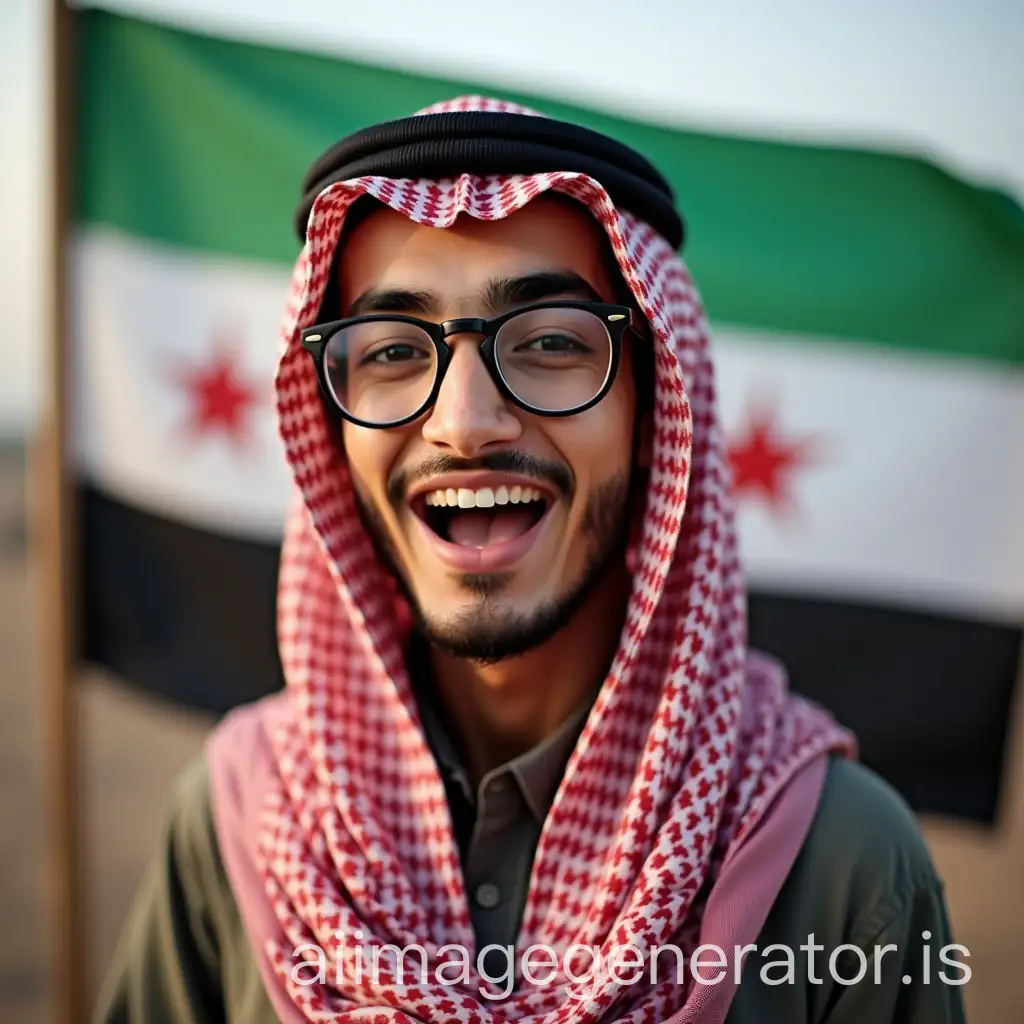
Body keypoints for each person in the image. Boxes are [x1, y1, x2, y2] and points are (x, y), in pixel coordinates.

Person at [94, 96, 967, 1024]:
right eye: (391, 350)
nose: (465, 422)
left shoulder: (841, 863)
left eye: (552, 342)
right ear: (329, 422)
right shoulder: (240, 830)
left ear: (653, 412)